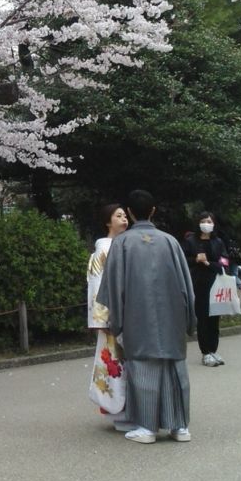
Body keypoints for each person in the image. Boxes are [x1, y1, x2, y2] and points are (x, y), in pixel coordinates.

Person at [96, 189, 196, 444]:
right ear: (153, 211)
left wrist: (116, 324)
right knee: (175, 369)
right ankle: (179, 426)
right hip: (172, 317)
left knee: (143, 369)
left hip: (136, 317)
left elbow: (113, 288)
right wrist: (189, 321)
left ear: (130, 212)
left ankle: (147, 427)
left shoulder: (123, 243)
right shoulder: (170, 242)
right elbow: (187, 288)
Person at [87, 204, 128, 418]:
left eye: (124, 215)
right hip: (112, 316)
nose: (124, 219)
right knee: (113, 360)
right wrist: (102, 319)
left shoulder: (126, 244)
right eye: (118, 216)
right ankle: (115, 407)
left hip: (128, 313)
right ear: (107, 222)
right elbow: (96, 285)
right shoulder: (102, 250)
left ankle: (126, 407)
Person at [183, 211, 229, 367]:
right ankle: (205, 353)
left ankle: (214, 350)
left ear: (214, 224)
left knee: (214, 318)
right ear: (198, 223)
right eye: (203, 221)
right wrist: (196, 259)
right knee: (202, 318)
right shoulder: (190, 241)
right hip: (198, 284)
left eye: (210, 221)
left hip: (216, 284)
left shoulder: (218, 242)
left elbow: (225, 261)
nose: (207, 224)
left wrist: (211, 264)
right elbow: (183, 260)